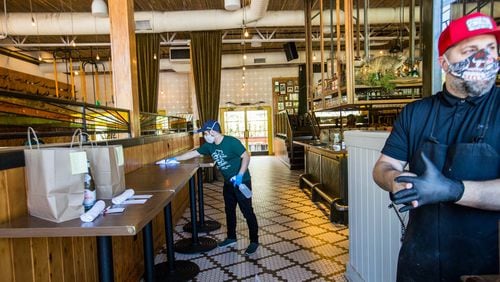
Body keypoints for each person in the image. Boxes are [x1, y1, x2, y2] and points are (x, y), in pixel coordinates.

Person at [372, 12, 500, 281]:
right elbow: (384, 166)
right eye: (471, 50)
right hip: (419, 257)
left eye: (491, 49)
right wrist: (395, 181)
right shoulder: (415, 113)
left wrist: (453, 190)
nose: (484, 58)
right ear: (444, 61)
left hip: (486, 264)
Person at [168, 120, 259, 255]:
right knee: (229, 211)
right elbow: (194, 153)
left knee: (247, 212)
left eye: (205, 133)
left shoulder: (231, 142)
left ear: (212, 132)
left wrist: (240, 175)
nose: (204, 136)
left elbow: (246, 156)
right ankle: (231, 237)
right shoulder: (210, 145)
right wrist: (175, 159)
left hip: (241, 182)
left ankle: (254, 241)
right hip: (228, 183)